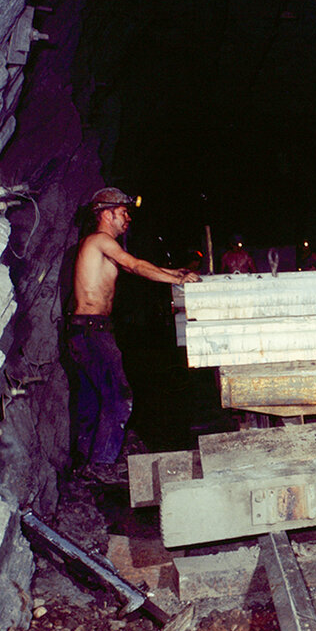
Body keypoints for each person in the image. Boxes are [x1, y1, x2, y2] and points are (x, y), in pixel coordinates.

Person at [68, 188, 201, 483]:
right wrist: (177, 278)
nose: (128, 218)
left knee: (92, 401)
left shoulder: (96, 245)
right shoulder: (101, 240)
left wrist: (172, 270)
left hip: (83, 330)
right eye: (123, 212)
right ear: (106, 213)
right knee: (119, 397)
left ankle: (84, 466)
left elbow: (136, 265)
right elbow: (135, 265)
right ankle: (102, 464)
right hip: (92, 330)